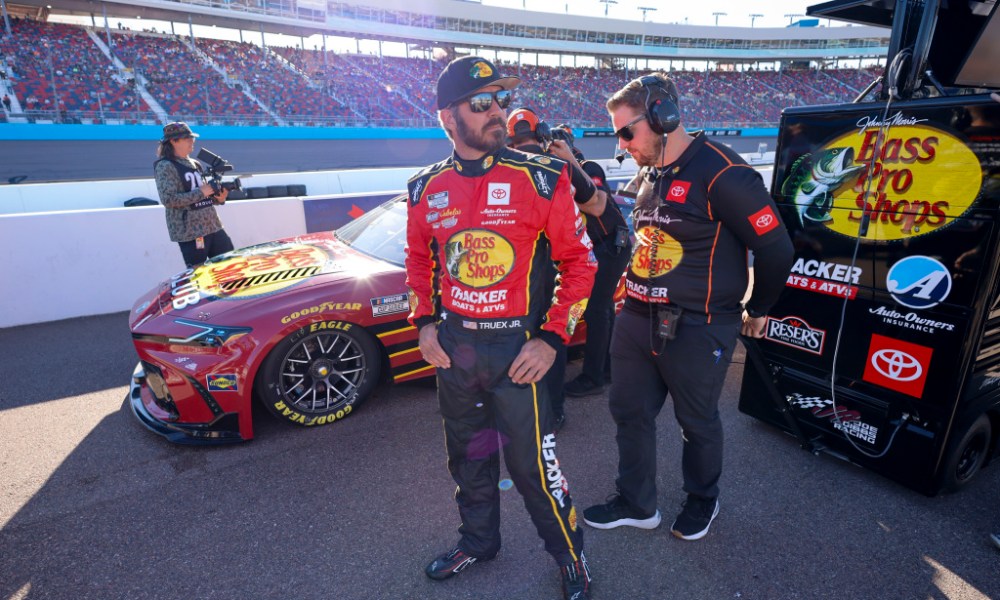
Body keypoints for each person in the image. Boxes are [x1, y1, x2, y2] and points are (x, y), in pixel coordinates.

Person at [405, 56, 597, 600]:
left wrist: (553, 337)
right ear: (447, 117)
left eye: (502, 101)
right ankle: (478, 542)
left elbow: (582, 266)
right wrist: (423, 324)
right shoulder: (424, 189)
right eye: (482, 103)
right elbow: (418, 260)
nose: (498, 113)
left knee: (535, 467)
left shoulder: (542, 178)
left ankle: (569, 554)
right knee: (467, 456)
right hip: (456, 346)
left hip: (518, 349)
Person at [583, 73, 794, 541]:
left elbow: (777, 250)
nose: (622, 146)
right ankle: (638, 504)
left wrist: (758, 310)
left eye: (626, 132)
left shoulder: (725, 172)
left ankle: (703, 499)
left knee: (696, 420)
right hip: (636, 320)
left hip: (698, 328)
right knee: (629, 413)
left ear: (663, 116)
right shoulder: (649, 172)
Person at [545, 124, 633, 398]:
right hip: (603, 247)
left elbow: (595, 204)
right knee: (603, 309)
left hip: (610, 246)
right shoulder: (561, 170)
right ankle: (606, 369)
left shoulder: (588, 167)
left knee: (596, 309)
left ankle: (594, 377)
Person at [153, 121, 233, 268]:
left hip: (213, 225)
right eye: (186, 138)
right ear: (173, 141)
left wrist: (218, 199)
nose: (192, 141)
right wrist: (201, 191)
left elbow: (203, 195)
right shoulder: (165, 166)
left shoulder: (195, 163)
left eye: (192, 137)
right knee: (200, 275)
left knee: (229, 265)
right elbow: (169, 200)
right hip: (191, 233)